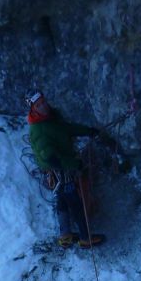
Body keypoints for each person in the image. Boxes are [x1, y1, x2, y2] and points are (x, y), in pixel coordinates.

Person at [26, 90, 105, 248]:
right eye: (38, 105)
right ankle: (84, 237)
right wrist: (75, 164)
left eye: (43, 102)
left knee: (62, 199)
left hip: (59, 167)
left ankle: (65, 235)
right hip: (59, 169)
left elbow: (67, 128)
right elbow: (52, 158)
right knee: (74, 201)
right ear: (33, 109)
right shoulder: (39, 130)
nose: (43, 106)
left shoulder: (51, 118)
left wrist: (88, 131)